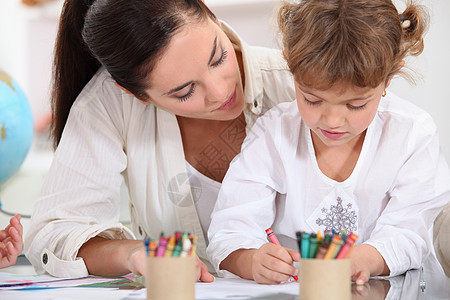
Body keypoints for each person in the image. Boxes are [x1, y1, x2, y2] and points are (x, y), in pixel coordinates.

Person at [24, 0, 295, 281]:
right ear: (136, 95)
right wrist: (133, 254)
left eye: (217, 58)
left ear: (209, 12)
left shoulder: (299, 83)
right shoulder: (109, 103)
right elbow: (52, 232)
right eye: (185, 91)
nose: (219, 91)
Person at [207, 0, 450, 285]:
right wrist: (250, 259)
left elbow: (413, 229)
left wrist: (365, 258)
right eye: (312, 99)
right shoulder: (274, 132)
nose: (333, 121)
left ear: (389, 78)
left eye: (356, 105)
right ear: (290, 66)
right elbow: (231, 227)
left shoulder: (411, 134)